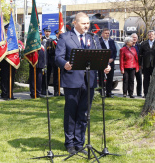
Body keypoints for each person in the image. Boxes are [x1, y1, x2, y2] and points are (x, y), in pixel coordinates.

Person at [55, 12, 110, 155]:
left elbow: (99, 56)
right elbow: (58, 58)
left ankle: (80, 143)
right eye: (83, 23)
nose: (87, 26)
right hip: (72, 81)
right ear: (75, 23)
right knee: (71, 113)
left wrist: (104, 65)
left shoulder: (93, 38)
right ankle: (70, 143)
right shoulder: (65, 37)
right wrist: (65, 64)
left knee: (84, 113)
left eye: (88, 23)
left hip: (89, 81)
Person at [139, 30, 155, 97]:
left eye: (152, 34)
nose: (151, 36)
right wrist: (140, 64)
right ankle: (146, 93)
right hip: (146, 65)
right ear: (148, 35)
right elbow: (140, 54)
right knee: (146, 80)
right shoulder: (143, 43)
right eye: (150, 35)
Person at [0, 24, 16, 100]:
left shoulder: (14, 38)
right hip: (4, 61)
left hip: (12, 61)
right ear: (5, 30)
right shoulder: (2, 38)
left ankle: (11, 93)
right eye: (7, 29)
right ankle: (5, 93)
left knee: (11, 78)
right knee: (4, 78)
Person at [98, 28, 117, 97]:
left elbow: (115, 51)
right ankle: (101, 92)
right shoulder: (99, 41)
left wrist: (113, 58)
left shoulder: (111, 41)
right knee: (101, 78)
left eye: (108, 33)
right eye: (105, 33)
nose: (107, 35)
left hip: (111, 63)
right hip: (102, 63)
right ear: (102, 34)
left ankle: (109, 93)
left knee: (110, 78)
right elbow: (98, 52)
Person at [29, 30, 45, 99]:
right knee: (33, 79)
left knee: (39, 79)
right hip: (33, 63)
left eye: (40, 34)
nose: (40, 35)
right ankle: (33, 92)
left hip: (40, 64)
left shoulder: (42, 43)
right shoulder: (32, 43)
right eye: (38, 34)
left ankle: (38, 92)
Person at [41, 26, 53, 95]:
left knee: (48, 75)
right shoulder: (42, 40)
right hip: (43, 60)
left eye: (49, 31)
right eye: (46, 31)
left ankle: (46, 89)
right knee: (43, 75)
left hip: (49, 61)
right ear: (44, 32)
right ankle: (42, 89)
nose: (48, 33)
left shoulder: (51, 40)